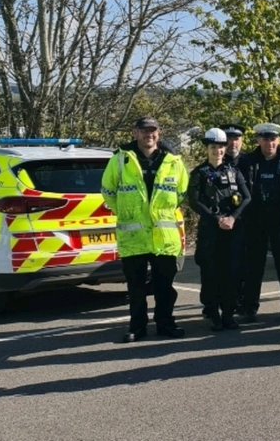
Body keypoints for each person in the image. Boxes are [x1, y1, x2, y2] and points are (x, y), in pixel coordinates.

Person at [101, 116, 189, 343]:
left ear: (159, 133)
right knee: (136, 289)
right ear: (135, 133)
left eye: (153, 131)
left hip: (164, 236)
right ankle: (137, 328)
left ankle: (165, 324)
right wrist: (125, 212)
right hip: (134, 236)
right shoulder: (121, 160)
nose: (149, 134)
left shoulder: (173, 161)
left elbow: (181, 194)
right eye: (144, 130)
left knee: (165, 288)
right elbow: (108, 191)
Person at [187, 128, 251, 331]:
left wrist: (232, 218)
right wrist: (216, 219)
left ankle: (229, 313)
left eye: (221, 147)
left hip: (232, 230)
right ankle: (213, 312)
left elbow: (247, 197)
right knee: (211, 272)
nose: (218, 151)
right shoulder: (199, 173)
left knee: (231, 272)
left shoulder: (233, 171)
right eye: (213, 147)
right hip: (210, 231)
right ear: (207, 148)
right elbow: (194, 201)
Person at [237, 123, 280, 323]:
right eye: (265, 139)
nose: (269, 143)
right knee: (253, 266)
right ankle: (249, 308)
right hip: (255, 220)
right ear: (258, 141)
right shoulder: (247, 162)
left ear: (279, 140)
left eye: (273, 139)